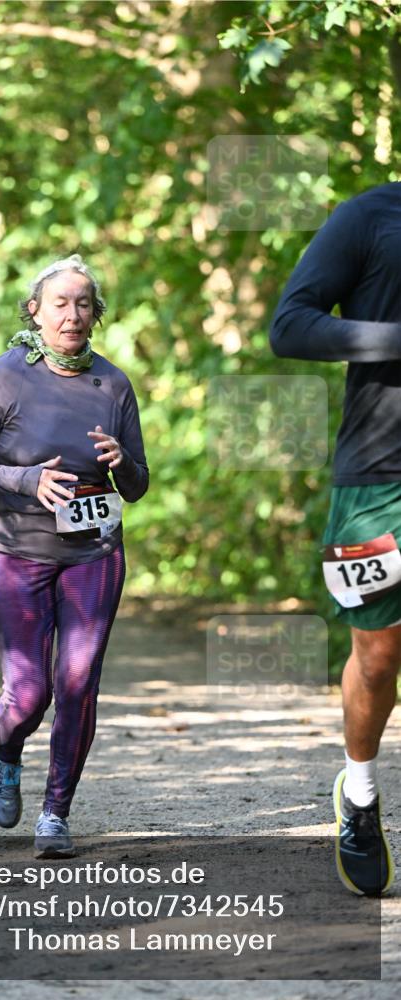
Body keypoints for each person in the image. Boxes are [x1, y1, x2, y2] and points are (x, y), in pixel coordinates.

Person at [0, 254, 149, 858]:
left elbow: (137, 487)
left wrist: (123, 463)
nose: (73, 314)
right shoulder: (7, 377)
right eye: (60, 302)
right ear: (34, 311)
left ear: (97, 315)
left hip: (94, 549)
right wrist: (25, 480)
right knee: (29, 692)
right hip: (18, 547)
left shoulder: (112, 384)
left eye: (84, 304)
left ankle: (56, 813)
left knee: (79, 680)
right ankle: (6, 751)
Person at [270, 182, 401, 897]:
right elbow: (289, 326)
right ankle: (357, 792)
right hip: (378, 474)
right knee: (377, 658)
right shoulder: (370, 215)